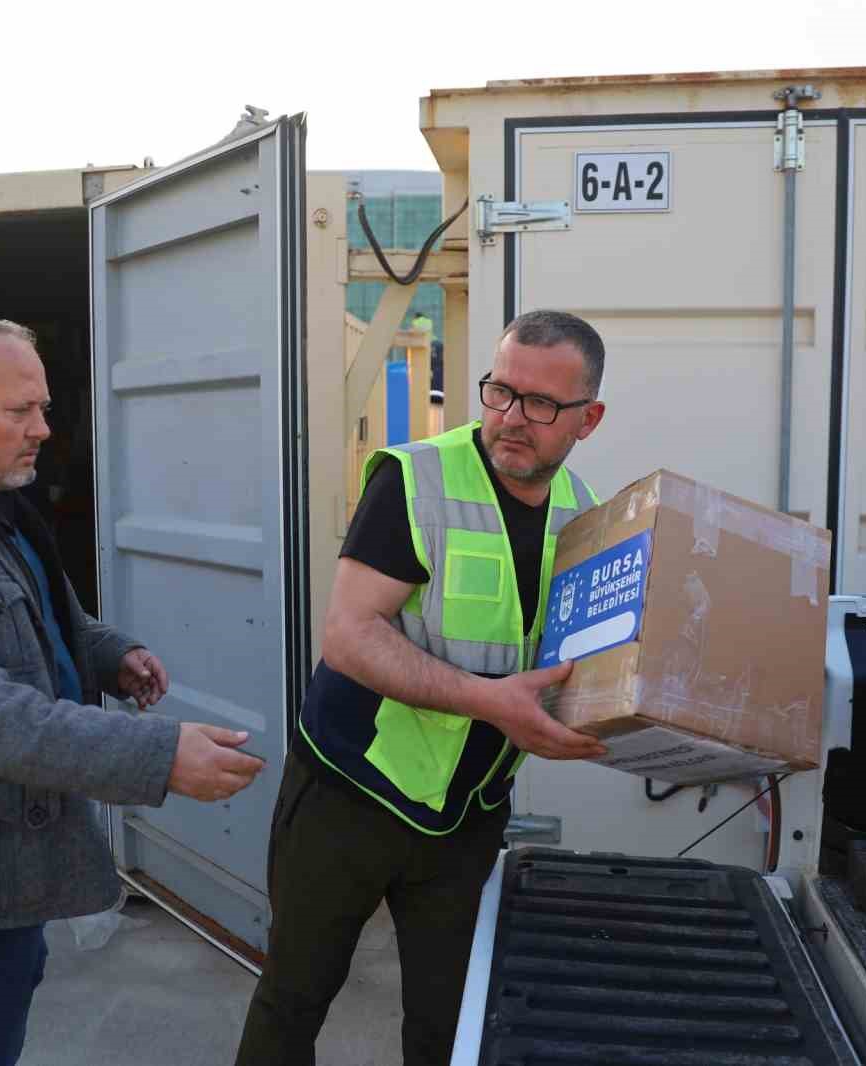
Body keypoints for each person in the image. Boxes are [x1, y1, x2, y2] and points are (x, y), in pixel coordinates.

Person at [0, 320, 264, 1066]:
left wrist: (107, 653)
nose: (42, 431)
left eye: (44, 408)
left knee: (3, 997)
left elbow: (42, 614)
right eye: (19, 412)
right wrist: (156, 755)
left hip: (4, 854)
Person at [236, 310, 610, 1065]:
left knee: (450, 1022)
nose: (511, 419)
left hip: (465, 815)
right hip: (351, 793)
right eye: (500, 392)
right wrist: (491, 702)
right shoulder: (417, 479)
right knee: (294, 1000)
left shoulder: (584, 515)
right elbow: (347, 635)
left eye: (540, 405)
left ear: (587, 419)